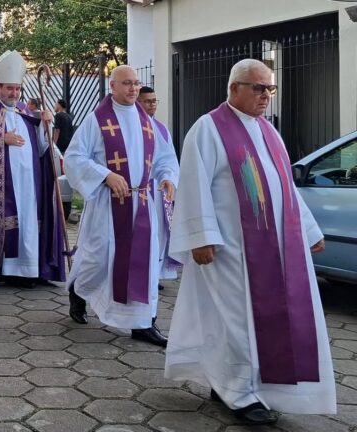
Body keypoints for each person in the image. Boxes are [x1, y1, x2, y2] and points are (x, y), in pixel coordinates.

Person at [165, 58, 335, 424]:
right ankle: (239, 394)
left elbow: (284, 186)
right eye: (258, 88)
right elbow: (193, 183)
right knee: (237, 322)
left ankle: (239, 385)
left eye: (270, 88)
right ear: (234, 88)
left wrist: (309, 231)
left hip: (274, 250)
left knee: (261, 321)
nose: (266, 96)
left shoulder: (269, 131)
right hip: (230, 248)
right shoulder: (208, 128)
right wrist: (200, 236)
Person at [64, 65, 178, 347]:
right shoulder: (96, 120)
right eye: (126, 83)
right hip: (108, 205)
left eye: (136, 83)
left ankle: (144, 323)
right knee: (98, 260)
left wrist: (167, 177)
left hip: (142, 203)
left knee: (145, 262)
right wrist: (106, 175)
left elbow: (165, 158)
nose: (133, 88)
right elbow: (74, 157)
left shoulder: (150, 123)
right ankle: (78, 290)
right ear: (112, 86)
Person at [0, 50, 66, 289]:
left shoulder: (25, 111)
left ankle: (29, 270)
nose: (14, 93)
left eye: (17, 89)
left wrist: (45, 124)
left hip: (29, 183)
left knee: (29, 222)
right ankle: (5, 270)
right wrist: (0, 138)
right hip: (2, 184)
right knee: (7, 222)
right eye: (9, 88)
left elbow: (42, 147)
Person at [137, 86, 180, 289]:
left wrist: (169, 178)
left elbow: (168, 158)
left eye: (154, 100)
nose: (152, 104)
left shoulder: (161, 128)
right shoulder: (129, 127)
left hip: (156, 189)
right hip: (135, 190)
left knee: (158, 236)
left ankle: (152, 275)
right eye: (147, 101)